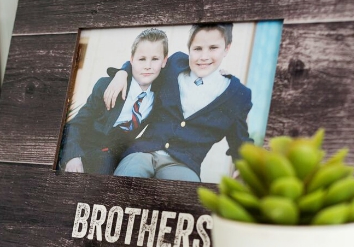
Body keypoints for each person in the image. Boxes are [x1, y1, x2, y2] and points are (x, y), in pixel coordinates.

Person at [103, 23, 252, 182]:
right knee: (124, 182)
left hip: (184, 165)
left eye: (213, 48)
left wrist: (248, 169)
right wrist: (122, 73)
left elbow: (240, 141)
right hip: (143, 152)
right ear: (189, 48)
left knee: (184, 198)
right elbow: (144, 67)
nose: (204, 56)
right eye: (197, 49)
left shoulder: (237, 95)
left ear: (226, 49)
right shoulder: (174, 64)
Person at [59, 28, 169, 175]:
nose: (148, 65)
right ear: (131, 60)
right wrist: (73, 156)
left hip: (117, 157)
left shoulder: (159, 95)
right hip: (87, 151)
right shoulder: (107, 86)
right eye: (142, 59)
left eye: (155, 59)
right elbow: (75, 125)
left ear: (164, 61)